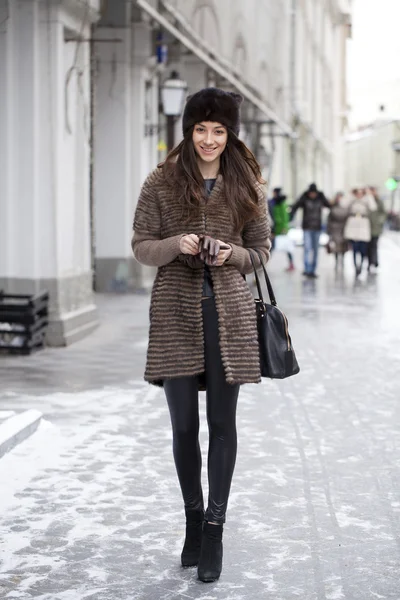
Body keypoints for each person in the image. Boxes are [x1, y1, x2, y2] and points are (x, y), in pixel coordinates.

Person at [132, 88, 271, 583]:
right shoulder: (161, 182)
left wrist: (227, 253)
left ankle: (214, 529)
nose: (209, 140)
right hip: (175, 313)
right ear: (188, 131)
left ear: (230, 134)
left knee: (222, 425)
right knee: (185, 427)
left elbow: (260, 251)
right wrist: (177, 243)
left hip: (228, 315)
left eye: (218, 131)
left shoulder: (247, 184)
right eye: (200, 130)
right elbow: (141, 246)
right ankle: (192, 519)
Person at [290, 183, 330, 278]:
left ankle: (313, 270)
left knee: (315, 250)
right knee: (307, 249)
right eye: (311, 193)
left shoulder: (320, 199)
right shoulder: (305, 199)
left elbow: (329, 205)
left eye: (314, 193)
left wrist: (322, 195)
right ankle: (307, 269)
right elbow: (295, 206)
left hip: (317, 227)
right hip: (307, 227)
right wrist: (303, 196)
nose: (313, 195)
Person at [344, 187, 376, 277]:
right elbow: (343, 204)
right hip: (353, 226)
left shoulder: (367, 200)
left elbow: (373, 207)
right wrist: (350, 194)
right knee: (354, 249)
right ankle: (355, 267)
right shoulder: (352, 199)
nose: (359, 194)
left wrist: (369, 195)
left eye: (361, 192)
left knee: (362, 250)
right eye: (357, 192)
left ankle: (361, 266)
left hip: (363, 226)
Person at [268, 187, 295, 271]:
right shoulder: (273, 202)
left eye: (274, 193)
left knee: (284, 246)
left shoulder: (281, 204)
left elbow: (285, 218)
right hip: (276, 228)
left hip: (280, 229)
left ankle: (291, 264)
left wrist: (284, 228)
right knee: (272, 246)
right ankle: (265, 263)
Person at [326, 192, 349, 270]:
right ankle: (336, 261)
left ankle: (342, 261)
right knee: (336, 246)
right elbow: (329, 219)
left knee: (343, 246)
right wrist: (329, 230)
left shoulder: (346, 207)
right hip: (335, 229)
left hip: (343, 228)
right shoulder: (333, 207)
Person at [366, 186, 386, 271]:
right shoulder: (367, 201)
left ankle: (374, 262)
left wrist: (379, 220)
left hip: (376, 228)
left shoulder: (379, 201)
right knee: (367, 247)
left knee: (374, 245)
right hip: (366, 227)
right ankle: (370, 262)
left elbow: (383, 213)